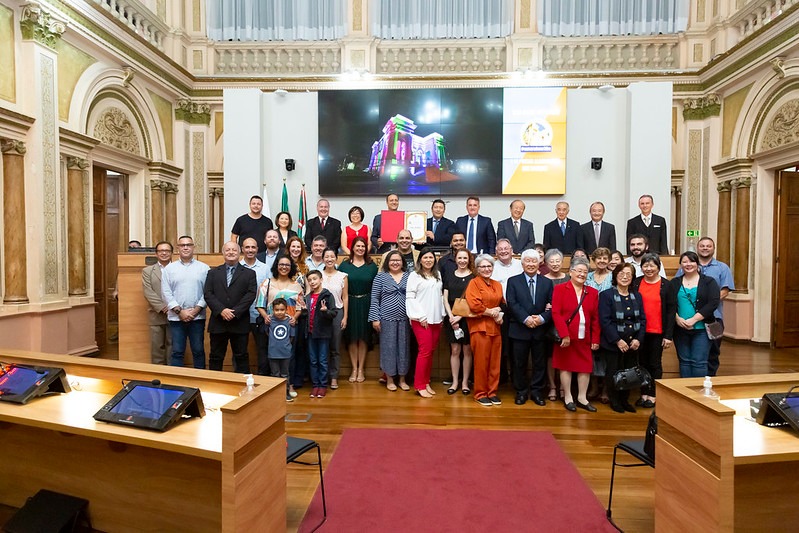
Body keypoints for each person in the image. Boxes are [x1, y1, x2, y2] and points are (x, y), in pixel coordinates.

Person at [677, 237, 734, 376]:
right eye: (702, 246)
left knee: (713, 353)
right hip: (687, 319)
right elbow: (678, 288)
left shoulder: (722, 267)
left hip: (714, 318)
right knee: (688, 356)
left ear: (713, 248)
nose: (705, 248)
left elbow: (725, 291)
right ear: (697, 248)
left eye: (708, 246)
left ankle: (709, 382)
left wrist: (705, 304)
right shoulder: (687, 266)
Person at [551, 258, 600, 412]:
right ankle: (568, 397)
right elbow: (556, 313)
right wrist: (564, 335)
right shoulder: (560, 289)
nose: (582, 274)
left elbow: (595, 318)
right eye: (578, 271)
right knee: (566, 366)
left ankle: (582, 398)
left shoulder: (592, 292)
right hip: (567, 336)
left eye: (585, 272)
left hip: (584, 336)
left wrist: (596, 339)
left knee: (585, 367)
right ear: (570, 272)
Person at [506, 249, 554, 406]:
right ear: (522, 263)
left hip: (540, 330)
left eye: (534, 261)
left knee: (539, 363)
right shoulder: (513, 281)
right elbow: (512, 303)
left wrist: (541, 319)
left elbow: (553, 306)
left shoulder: (547, 282)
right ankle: (521, 392)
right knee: (519, 363)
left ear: (539, 263)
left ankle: (536, 392)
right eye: (528, 261)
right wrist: (526, 319)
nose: (531, 264)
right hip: (519, 329)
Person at [599, 263, 646, 413]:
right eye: (621, 274)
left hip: (633, 343)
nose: (625, 277)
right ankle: (615, 400)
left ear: (632, 278)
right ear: (615, 276)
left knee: (629, 373)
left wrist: (638, 339)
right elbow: (604, 321)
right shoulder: (606, 295)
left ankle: (625, 400)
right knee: (613, 372)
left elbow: (643, 320)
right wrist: (617, 340)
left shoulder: (637, 296)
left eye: (628, 274)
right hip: (613, 343)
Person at [204, 242, 257, 373]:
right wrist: (221, 310)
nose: (231, 252)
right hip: (218, 322)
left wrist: (235, 312)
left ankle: (242, 387)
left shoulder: (250, 274)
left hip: (239, 322)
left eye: (234, 250)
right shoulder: (213, 273)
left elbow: (250, 294)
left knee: (241, 357)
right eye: (228, 250)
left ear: (240, 252)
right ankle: (214, 386)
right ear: (223, 253)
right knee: (215, 357)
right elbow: (208, 294)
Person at [631, 253, 675, 408]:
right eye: (645, 266)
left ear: (658, 267)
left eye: (652, 265)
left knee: (655, 363)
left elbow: (671, 311)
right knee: (641, 363)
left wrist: (668, 335)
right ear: (641, 267)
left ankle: (653, 395)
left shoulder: (666, 285)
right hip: (639, 331)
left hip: (657, 331)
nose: (648, 269)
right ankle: (643, 393)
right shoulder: (636, 283)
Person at [161, 235, 210, 369]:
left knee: (198, 351)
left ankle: (201, 381)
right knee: (177, 351)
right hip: (176, 318)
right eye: (182, 245)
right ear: (177, 248)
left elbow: (208, 292)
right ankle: (177, 383)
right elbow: (166, 292)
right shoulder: (169, 270)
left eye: (189, 245)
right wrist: (180, 311)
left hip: (197, 317)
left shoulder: (204, 268)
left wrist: (195, 310)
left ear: (194, 247)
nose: (186, 247)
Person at [670, 251, 720, 378]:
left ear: (697, 264)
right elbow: (669, 304)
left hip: (702, 329)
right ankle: (685, 392)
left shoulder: (709, 282)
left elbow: (713, 303)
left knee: (699, 362)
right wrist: (677, 318)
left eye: (691, 261)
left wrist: (694, 320)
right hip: (680, 329)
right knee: (684, 362)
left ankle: (698, 393)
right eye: (684, 261)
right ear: (680, 264)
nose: (688, 264)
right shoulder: (674, 282)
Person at [465, 254, 505, 406]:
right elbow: (474, 305)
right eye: (483, 266)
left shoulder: (497, 284)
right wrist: (491, 312)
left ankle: (492, 392)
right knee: (481, 363)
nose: (486, 269)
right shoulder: (473, 283)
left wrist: (499, 313)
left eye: (489, 266)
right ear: (477, 268)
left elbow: (502, 303)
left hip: (496, 328)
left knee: (495, 363)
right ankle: (480, 393)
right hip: (479, 328)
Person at [369, 250, 411, 392]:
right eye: (392, 260)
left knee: (404, 349)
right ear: (387, 262)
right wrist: (375, 318)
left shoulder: (409, 276)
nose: (395, 263)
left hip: (405, 319)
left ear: (402, 262)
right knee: (388, 349)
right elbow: (374, 299)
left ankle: (403, 379)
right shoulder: (380, 277)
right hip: (386, 319)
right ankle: (390, 378)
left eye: (398, 260)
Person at [255, 257, 305, 376]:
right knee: (268, 356)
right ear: (276, 266)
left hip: (289, 326)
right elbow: (259, 304)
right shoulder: (267, 283)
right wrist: (266, 317)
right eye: (281, 264)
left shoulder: (296, 285)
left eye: (287, 265)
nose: (284, 267)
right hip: (271, 326)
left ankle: (289, 385)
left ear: (291, 267)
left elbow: (300, 307)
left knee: (289, 355)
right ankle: (271, 386)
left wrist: (295, 317)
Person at [406, 248, 445, 398]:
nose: (428, 260)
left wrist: (442, 315)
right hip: (421, 319)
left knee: (431, 352)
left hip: (436, 319)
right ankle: (419, 385)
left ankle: (426, 381)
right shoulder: (414, 276)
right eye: (425, 257)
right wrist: (419, 316)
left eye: (431, 257)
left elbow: (440, 296)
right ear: (420, 260)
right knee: (425, 351)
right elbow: (410, 298)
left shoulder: (438, 275)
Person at [338, 236, 378, 382]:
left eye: (363, 246)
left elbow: (377, 289)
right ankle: (354, 368)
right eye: (358, 246)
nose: (360, 248)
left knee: (363, 338)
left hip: (367, 303)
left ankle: (361, 369)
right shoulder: (344, 266)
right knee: (352, 338)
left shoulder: (372, 266)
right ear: (352, 247)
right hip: (350, 304)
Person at [442, 249, 475, 395]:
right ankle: (455, 381)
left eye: (465, 258)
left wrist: (459, 317)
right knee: (455, 350)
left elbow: (472, 300)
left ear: (469, 260)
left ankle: (465, 382)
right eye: (460, 258)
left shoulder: (474, 277)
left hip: (467, 318)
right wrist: (451, 317)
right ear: (455, 259)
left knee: (467, 351)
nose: (462, 260)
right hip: (452, 319)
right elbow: (445, 298)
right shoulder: (449, 275)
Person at [491, 238, 522, 384]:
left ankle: (517, 378)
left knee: (516, 345)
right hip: (499, 309)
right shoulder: (492, 266)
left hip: (518, 309)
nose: (503, 251)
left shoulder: (520, 264)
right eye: (500, 249)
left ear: (512, 250)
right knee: (500, 344)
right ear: (496, 252)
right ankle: (501, 377)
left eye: (506, 249)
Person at [239, 237, 271, 379]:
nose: (250, 250)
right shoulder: (237, 267)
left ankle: (263, 379)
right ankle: (241, 378)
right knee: (240, 350)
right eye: (247, 247)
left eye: (253, 247)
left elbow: (269, 291)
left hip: (260, 315)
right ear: (242, 249)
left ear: (257, 249)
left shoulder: (265, 268)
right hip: (240, 316)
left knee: (262, 349)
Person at [585, 246, 613, 402]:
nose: (602, 261)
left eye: (605, 258)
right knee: (592, 355)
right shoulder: (587, 277)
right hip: (589, 321)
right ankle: (594, 386)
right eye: (599, 258)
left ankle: (606, 389)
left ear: (608, 261)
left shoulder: (613, 276)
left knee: (607, 356)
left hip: (608, 321)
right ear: (593, 260)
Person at [305, 270, 338, 398]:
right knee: (313, 360)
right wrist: (302, 310)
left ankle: (323, 385)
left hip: (323, 333)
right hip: (310, 333)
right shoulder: (308, 297)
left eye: (315, 279)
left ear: (320, 279)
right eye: (310, 280)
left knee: (323, 360)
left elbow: (334, 313)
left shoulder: (327, 295)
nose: (312, 282)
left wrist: (325, 311)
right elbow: (306, 315)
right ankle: (315, 385)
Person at [543, 248, 569, 401]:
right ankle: (552, 386)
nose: (554, 264)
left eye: (557, 261)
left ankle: (563, 387)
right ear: (546, 263)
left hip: (566, 323)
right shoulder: (543, 279)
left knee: (564, 355)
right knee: (549, 356)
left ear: (562, 262)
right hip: (547, 323)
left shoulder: (568, 278)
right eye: (551, 261)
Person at [141, 240, 173, 364]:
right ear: (156, 253)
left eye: (167, 251)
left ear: (171, 253)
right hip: (156, 314)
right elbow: (148, 291)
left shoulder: (178, 268)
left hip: (175, 313)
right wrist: (163, 307)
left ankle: (172, 373)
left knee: (173, 345)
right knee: (157, 346)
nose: (164, 253)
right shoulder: (148, 271)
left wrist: (172, 307)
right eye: (161, 251)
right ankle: (157, 373)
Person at [321, 248, 348, 389]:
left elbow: (345, 297)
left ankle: (334, 377)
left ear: (336, 258)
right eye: (327, 256)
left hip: (337, 313)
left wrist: (345, 316)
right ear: (323, 259)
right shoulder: (318, 275)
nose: (329, 259)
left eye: (332, 256)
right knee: (322, 347)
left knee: (335, 347)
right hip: (321, 315)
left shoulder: (342, 276)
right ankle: (322, 377)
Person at [285, 235, 309, 393]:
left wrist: (304, 302)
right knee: (289, 348)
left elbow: (308, 287)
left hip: (302, 311)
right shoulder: (283, 264)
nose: (295, 249)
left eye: (298, 247)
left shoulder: (304, 266)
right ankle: (289, 380)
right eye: (293, 246)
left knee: (301, 345)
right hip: (286, 311)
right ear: (288, 248)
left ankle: (298, 378)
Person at [267, 298, 295, 402]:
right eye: (277, 310)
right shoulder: (269, 321)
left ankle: (286, 393)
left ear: (286, 309)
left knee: (285, 374)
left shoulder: (290, 321)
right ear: (272, 310)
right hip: (273, 353)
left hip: (285, 353)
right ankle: (275, 394)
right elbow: (266, 332)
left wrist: (285, 345)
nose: (279, 312)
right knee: (275, 374)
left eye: (282, 309)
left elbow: (291, 336)